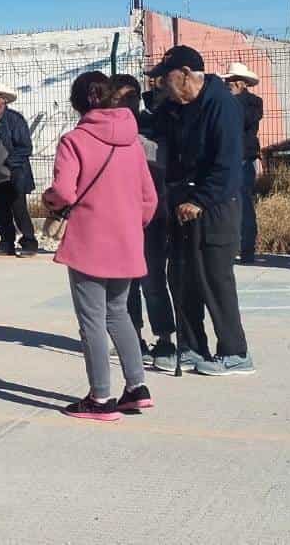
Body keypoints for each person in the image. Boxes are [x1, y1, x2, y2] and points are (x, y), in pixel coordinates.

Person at [43, 72, 157, 421]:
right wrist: (129, 224)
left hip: (89, 239)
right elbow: (148, 199)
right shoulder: (133, 141)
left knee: (91, 319)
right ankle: (137, 387)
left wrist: (50, 201)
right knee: (118, 313)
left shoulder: (74, 140)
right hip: (126, 239)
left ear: (79, 102)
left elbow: (64, 192)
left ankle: (100, 397)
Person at [148, 45, 254, 376]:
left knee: (214, 278)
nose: (160, 86)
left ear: (184, 75)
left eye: (164, 79)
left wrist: (200, 200)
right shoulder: (176, 107)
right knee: (181, 276)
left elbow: (227, 165)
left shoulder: (221, 105)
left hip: (215, 205)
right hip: (182, 204)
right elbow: (153, 129)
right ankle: (192, 346)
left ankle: (235, 353)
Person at [114, 74, 174, 365]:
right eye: (120, 98)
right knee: (127, 284)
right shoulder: (108, 131)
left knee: (153, 279)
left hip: (153, 215)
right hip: (121, 217)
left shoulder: (154, 127)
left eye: (131, 97)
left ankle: (165, 339)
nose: (126, 103)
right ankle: (133, 337)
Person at [0, 84, 39, 258]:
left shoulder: (14, 120)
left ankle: (29, 243)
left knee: (19, 210)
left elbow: (25, 147)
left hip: (13, 175)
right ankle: (6, 243)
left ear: (3, 99)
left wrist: (10, 164)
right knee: (0, 211)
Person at [223, 63, 264, 263]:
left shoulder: (252, 103)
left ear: (239, 82)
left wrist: (233, 100)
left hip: (242, 158)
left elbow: (244, 120)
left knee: (244, 205)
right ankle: (234, 247)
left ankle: (246, 248)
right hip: (228, 158)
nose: (226, 84)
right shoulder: (227, 102)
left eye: (230, 81)